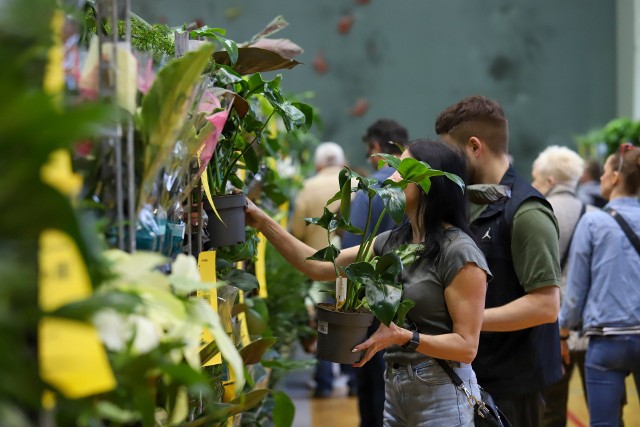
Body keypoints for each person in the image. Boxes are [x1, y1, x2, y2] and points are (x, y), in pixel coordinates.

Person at [246, 139, 491, 425]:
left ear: (429, 180)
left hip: (442, 393)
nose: (392, 176)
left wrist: (404, 337)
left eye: (402, 167)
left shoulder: (460, 252)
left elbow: (466, 347)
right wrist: (261, 221)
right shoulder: (395, 240)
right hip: (397, 388)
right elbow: (318, 265)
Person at [435, 95, 563, 427]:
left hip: (514, 386)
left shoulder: (527, 211)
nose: (444, 164)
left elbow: (546, 306)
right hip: (473, 376)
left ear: (475, 147)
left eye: (451, 153)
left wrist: (466, 321)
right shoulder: (465, 204)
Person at [559, 144, 640, 426]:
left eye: (604, 171)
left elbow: (576, 291)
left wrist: (563, 332)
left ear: (616, 176)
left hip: (606, 339)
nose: (600, 178)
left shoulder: (593, 222)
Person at [341, 119, 409, 427]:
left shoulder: (368, 190)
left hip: (368, 301)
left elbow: (350, 249)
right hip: (410, 306)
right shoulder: (416, 188)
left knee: (371, 385)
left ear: (376, 149)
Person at [530, 146, 597, 427]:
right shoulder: (597, 215)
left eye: (535, 178)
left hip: (549, 329)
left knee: (550, 414)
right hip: (592, 330)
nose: (531, 185)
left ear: (549, 181)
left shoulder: (534, 215)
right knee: (604, 413)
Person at [289, 141, 351, 398]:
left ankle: (324, 381)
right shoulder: (355, 185)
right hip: (352, 268)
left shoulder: (307, 187)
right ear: (342, 161)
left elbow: (296, 232)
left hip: (316, 267)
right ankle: (354, 380)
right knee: (352, 321)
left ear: (317, 164)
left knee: (323, 325)